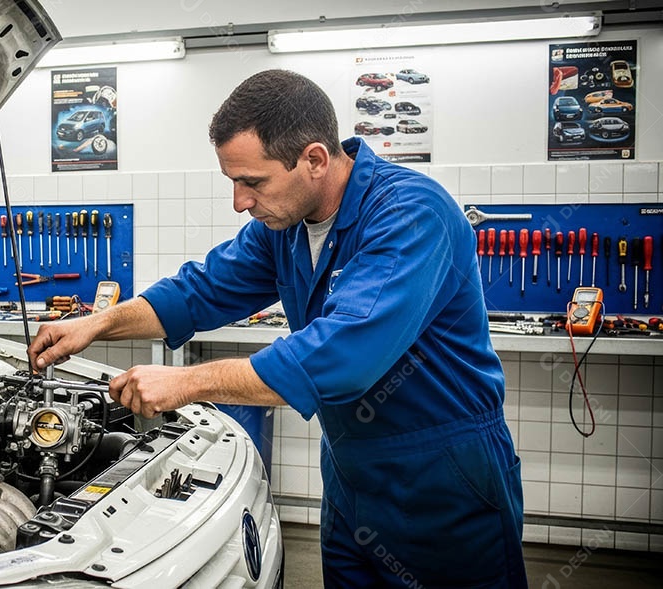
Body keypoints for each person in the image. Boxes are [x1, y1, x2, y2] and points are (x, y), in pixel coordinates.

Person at [28, 69, 526, 588]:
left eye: (253, 182)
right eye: (233, 182)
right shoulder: (284, 228)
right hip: (350, 475)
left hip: (442, 478)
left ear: (314, 160)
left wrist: (187, 382)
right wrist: (97, 323)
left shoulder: (410, 213)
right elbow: (200, 290)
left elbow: (342, 355)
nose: (240, 202)